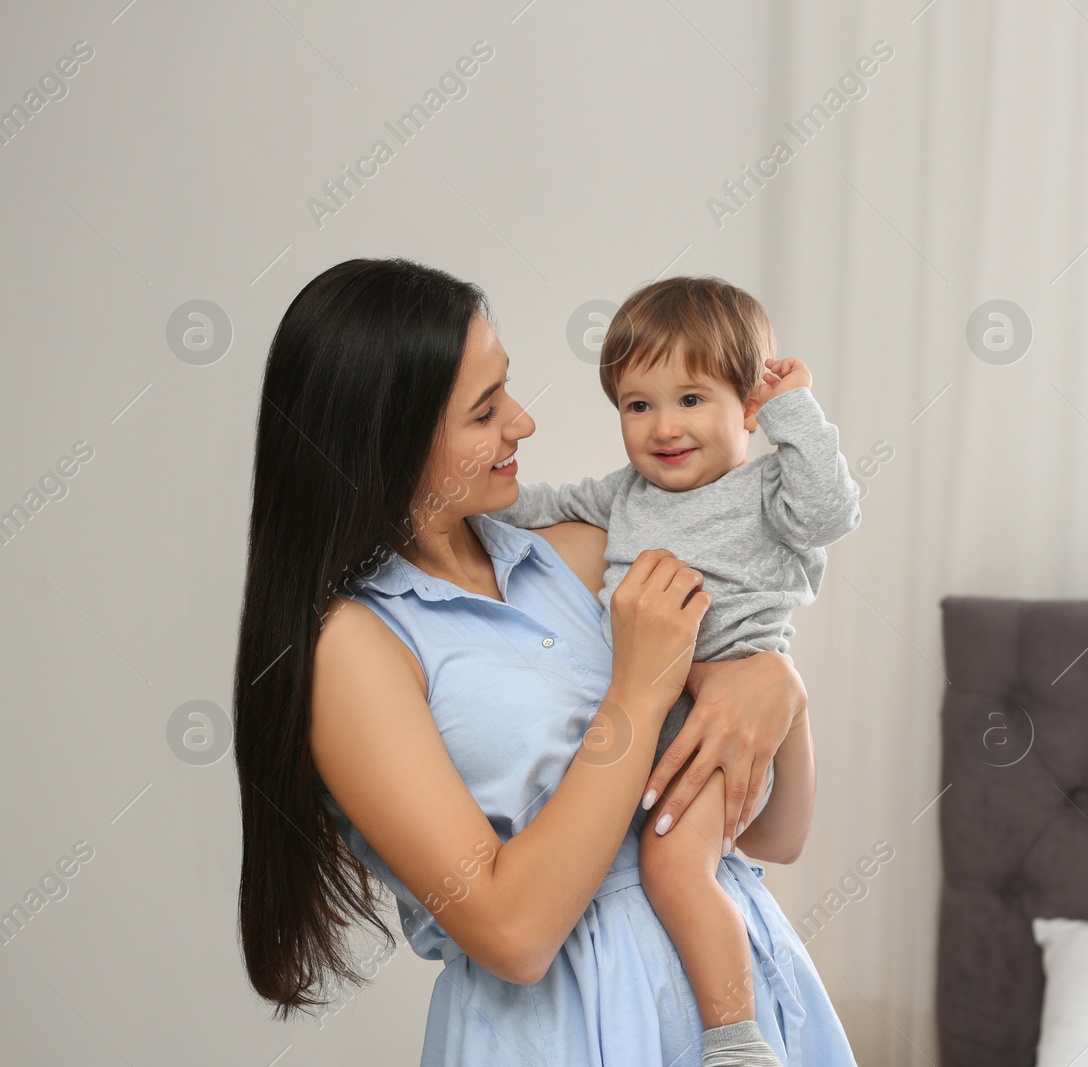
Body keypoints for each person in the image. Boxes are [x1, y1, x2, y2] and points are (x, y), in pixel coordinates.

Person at [232, 257, 858, 1066]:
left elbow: (774, 834)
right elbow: (515, 934)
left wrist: (780, 689)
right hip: (563, 1031)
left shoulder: (588, 553)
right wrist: (638, 688)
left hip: (746, 1014)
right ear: (389, 436)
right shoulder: (358, 648)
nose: (523, 423)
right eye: (485, 410)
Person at [486, 276, 861, 1054]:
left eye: (692, 398)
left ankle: (735, 1037)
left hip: (722, 725)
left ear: (748, 407)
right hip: (648, 716)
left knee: (673, 867)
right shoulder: (625, 494)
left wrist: (794, 409)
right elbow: (541, 502)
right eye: (638, 404)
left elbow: (832, 511)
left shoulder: (768, 490)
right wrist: (471, 497)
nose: (664, 426)